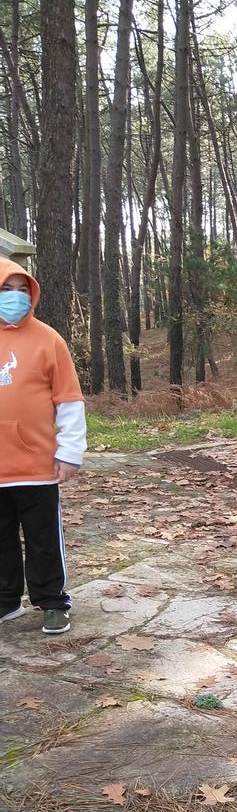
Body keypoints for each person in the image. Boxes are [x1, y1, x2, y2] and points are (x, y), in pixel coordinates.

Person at [0, 258, 86, 635]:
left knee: (43, 540)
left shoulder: (48, 339)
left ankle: (52, 602)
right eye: (6, 289)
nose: (16, 298)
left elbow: (68, 400)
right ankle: (5, 603)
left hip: (36, 466)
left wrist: (69, 452)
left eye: (23, 290)